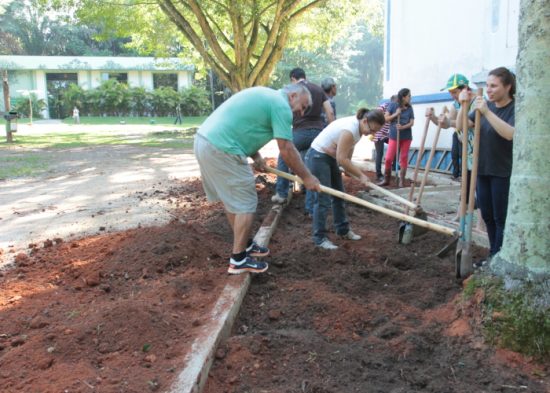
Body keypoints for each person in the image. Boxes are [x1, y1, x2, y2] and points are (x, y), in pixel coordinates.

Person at [194, 84, 321, 274]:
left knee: (234, 202)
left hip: (206, 142)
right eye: (302, 106)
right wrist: (307, 177)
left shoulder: (267, 96)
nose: (301, 113)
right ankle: (238, 259)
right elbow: (286, 148)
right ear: (293, 95)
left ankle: (244, 247)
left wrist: (256, 156)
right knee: (246, 202)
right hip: (221, 148)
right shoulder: (281, 105)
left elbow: (244, 127)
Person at [456, 67, 515, 268]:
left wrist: (487, 112)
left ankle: (499, 257)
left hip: (502, 171)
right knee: (488, 215)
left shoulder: (513, 108)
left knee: (500, 217)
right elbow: (462, 126)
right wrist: (464, 104)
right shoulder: (483, 106)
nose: (488, 90)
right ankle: (493, 254)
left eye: (493, 86)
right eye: (487, 85)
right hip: (482, 170)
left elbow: (510, 134)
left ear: (507, 87)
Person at [306, 108, 385, 249]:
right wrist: (361, 175)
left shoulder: (359, 130)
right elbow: (342, 159)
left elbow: (346, 158)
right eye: (372, 130)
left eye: (375, 132)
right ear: (365, 121)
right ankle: (319, 239)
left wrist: (350, 170)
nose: (371, 134)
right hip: (317, 156)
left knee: (339, 195)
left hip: (329, 157)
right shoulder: (350, 129)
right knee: (323, 199)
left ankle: (342, 230)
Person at [272, 68, 335, 215]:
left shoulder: (293, 91)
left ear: (293, 79)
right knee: (311, 164)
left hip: (300, 131)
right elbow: (330, 112)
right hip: (318, 133)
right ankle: (310, 206)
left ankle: (281, 193)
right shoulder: (318, 89)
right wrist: (330, 135)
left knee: (284, 155)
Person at [378, 88, 414, 187]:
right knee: (389, 158)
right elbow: (385, 118)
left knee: (403, 158)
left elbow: (411, 123)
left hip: (406, 136)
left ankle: (401, 180)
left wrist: (403, 127)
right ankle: (387, 179)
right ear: (403, 97)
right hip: (394, 135)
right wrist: (396, 114)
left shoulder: (410, 108)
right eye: (409, 96)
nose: (410, 98)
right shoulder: (393, 105)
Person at [374, 95, 397, 182]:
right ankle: (378, 174)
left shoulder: (395, 109)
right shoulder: (383, 107)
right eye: (396, 102)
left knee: (395, 147)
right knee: (379, 153)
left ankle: (394, 167)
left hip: (388, 134)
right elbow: (376, 116)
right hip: (379, 133)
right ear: (393, 101)